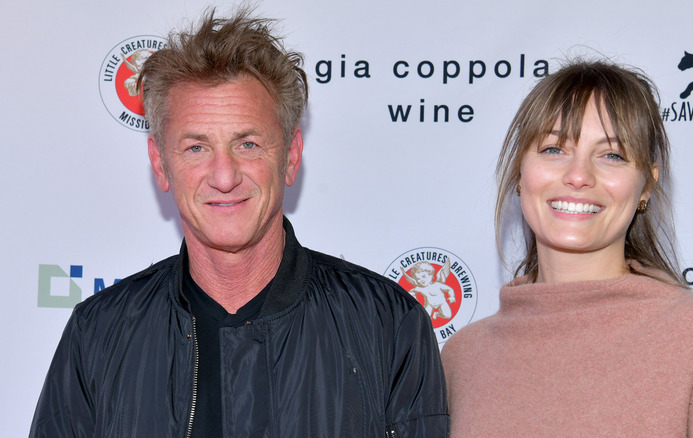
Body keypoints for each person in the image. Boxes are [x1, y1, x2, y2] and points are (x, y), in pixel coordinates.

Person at [30, 8, 448, 437]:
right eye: (196, 148)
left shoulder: (388, 325)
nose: (225, 177)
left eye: (247, 144)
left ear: (290, 157)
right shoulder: (98, 333)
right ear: (160, 163)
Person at [441, 60, 693, 436]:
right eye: (553, 149)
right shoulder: (462, 357)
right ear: (521, 172)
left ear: (646, 184)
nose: (579, 176)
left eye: (612, 155)